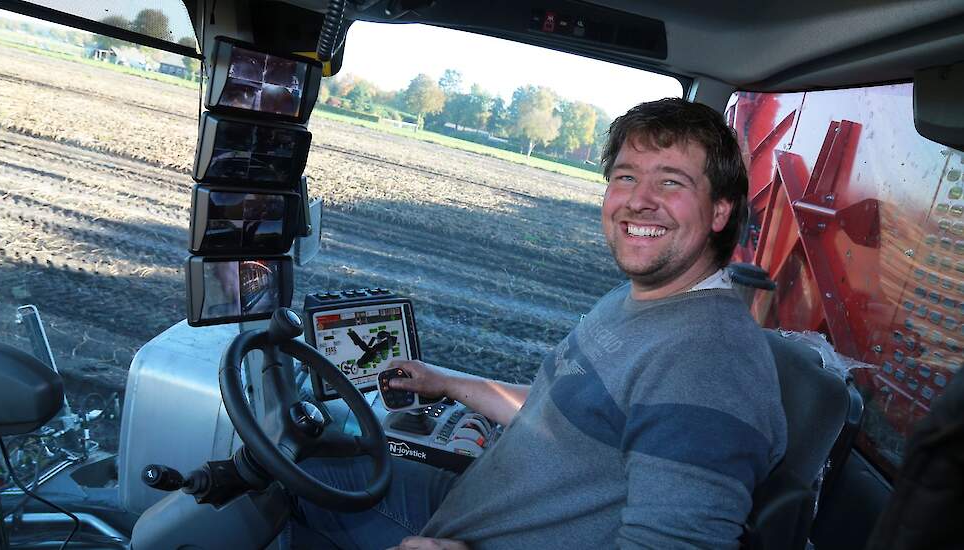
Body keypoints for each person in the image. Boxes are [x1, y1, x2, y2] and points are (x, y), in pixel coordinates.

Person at [292, 98, 787, 549]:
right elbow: (555, 408)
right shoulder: (643, 299)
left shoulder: (708, 360)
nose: (639, 199)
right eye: (626, 176)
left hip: (472, 537)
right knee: (311, 470)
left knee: (296, 486)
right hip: (474, 503)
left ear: (720, 211)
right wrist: (445, 381)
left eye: (671, 181)